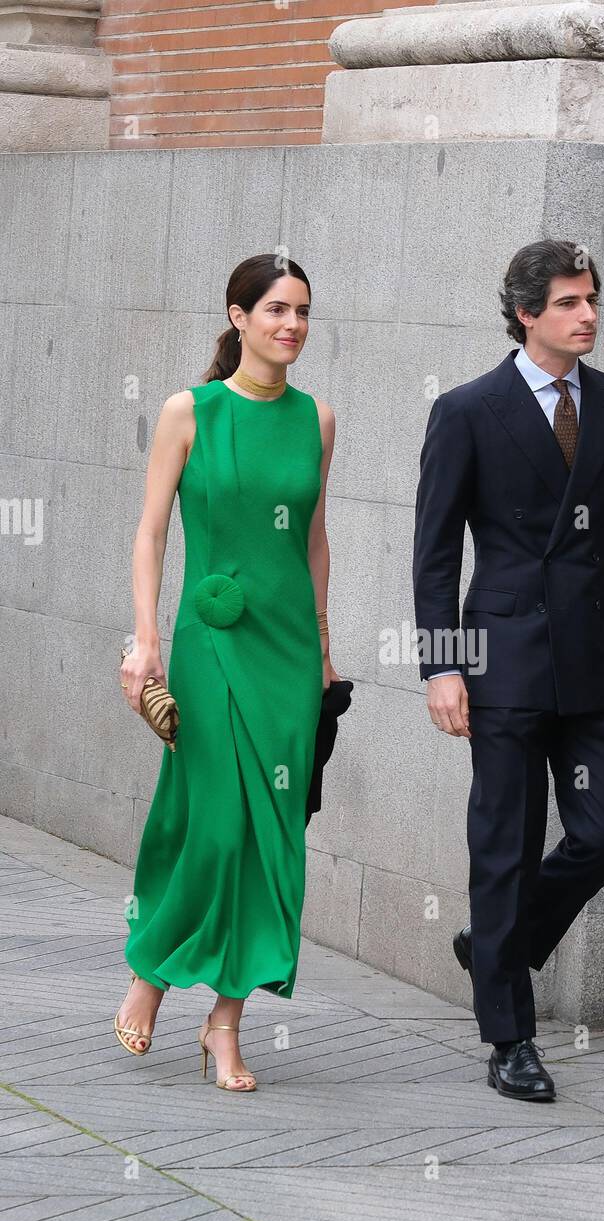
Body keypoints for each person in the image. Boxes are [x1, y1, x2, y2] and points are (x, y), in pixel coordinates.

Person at [412, 239, 604, 1102]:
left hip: (595, 658)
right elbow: (435, 555)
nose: (587, 315)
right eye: (568, 302)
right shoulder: (467, 410)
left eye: (591, 299)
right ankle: (510, 1039)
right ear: (525, 313)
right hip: (504, 659)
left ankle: (496, 948)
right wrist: (443, 668)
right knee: (506, 847)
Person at [114, 252, 340, 1092]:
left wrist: (322, 643)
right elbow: (151, 533)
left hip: (286, 655)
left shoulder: (316, 418)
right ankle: (153, 972)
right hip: (210, 645)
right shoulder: (190, 410)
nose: (292, 326)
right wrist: (146, 642)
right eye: (277, 309)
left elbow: (313, 540)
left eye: (304, 312)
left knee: (271, 837)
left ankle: (226, 1024)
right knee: (210, 824)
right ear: (238, 317)